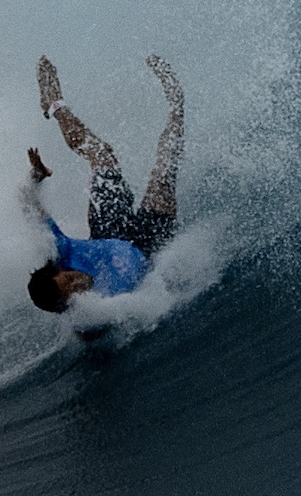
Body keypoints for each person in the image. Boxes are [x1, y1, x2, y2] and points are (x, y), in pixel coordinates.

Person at [25, 53, 183, 313]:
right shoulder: (96, 311)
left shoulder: (62, 253)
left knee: (103, 156)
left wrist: (37, 178)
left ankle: (55, 106)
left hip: (109, 231)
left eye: (70, 277)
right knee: (166, 168)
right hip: (147, 243)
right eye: (73, 290)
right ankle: (178, 106)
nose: (79, 281)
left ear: (61, 270)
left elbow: (28, 204)